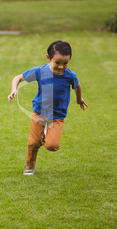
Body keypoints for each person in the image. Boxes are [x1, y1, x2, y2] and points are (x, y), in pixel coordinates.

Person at [8, 40, 88, 175]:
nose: (61, 67)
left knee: (52, 146)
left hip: (57, 115)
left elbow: (77, 85)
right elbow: (18, 77)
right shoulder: (40, 71)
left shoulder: (70, 76)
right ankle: (29, 166)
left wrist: (78, 99)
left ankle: (45, 135)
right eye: (57, 63)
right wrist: (14, 90)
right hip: (40, 111)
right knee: (33, 143)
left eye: (65, 63)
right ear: (48, 58)